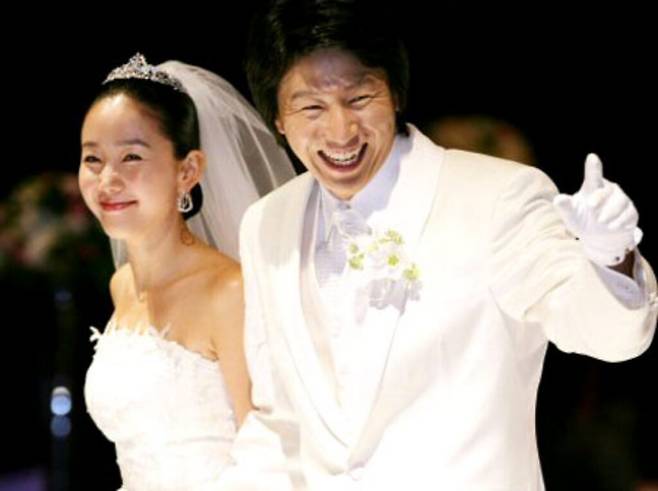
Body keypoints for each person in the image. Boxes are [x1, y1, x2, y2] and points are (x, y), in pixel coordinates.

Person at [218, 1, 658, 489]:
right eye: (311, 108)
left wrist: (611, 256)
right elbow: (279, 420)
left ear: (395, 93)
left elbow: (607, 336)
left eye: (359, 98)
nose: (341, 131)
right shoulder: (266, 223)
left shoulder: (496, 197)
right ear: (278, 119)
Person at [80, 53, 294, 490]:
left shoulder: (229, 291)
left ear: (188, 170)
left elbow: (270, 458)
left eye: (131, 157)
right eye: (93, 159)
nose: (107, 180)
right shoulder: (122, 285)